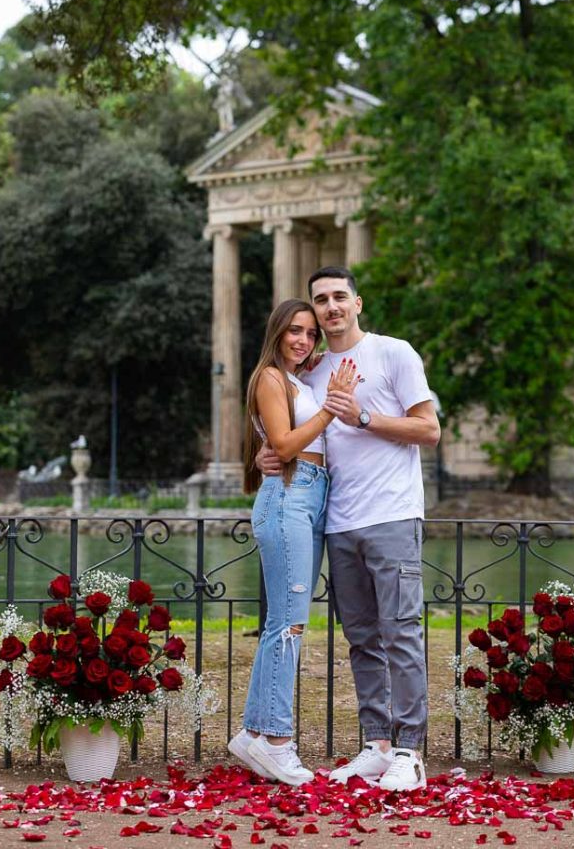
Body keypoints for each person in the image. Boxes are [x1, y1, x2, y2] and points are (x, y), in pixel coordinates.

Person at [257, 267, 440, 792]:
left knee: (401, 634)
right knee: (361, 640)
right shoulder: (310, 372)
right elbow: (292, 435)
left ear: (358, 302)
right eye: (321, 300)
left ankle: (409, 751)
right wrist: (268, 457)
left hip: (392, 515)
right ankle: (377, 745)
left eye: (340, 297)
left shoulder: (394, 352)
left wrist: (363, 417)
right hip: (338, 521)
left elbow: (429, 429)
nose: (331, 306)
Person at [228, 297, 359, 786]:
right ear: (277, 333)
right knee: (289, 624)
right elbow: (283, 446)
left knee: (284, 622)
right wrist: (330, 407)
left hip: (312, 496)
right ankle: (277, 741)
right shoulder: (270, 378)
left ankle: (256, 734)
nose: (303, 339)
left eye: (310, 332)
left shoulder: (303, 378)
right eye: (294, 331)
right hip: (290, 494)